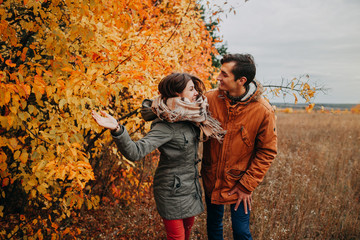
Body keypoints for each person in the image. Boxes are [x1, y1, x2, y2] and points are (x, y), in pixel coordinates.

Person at [92, 72, 226, 240]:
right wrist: (117, 129)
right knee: (177, 237)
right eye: (191, 89)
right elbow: (135, 152)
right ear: (178, 94)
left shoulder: (192, 115)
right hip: (171, 191)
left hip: (190, 188)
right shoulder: (165, 125)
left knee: (187, 234)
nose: (196, 93)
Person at [201, 53, 278, 240]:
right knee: (213, 226)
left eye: (224, 74)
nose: (218, 77)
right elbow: (181, 107)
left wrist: (246, 186)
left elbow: (267, 152)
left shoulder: (263, 110)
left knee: (241, 232)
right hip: (212, 177)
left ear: (241, 80)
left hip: (241, 182)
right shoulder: (209, 99)